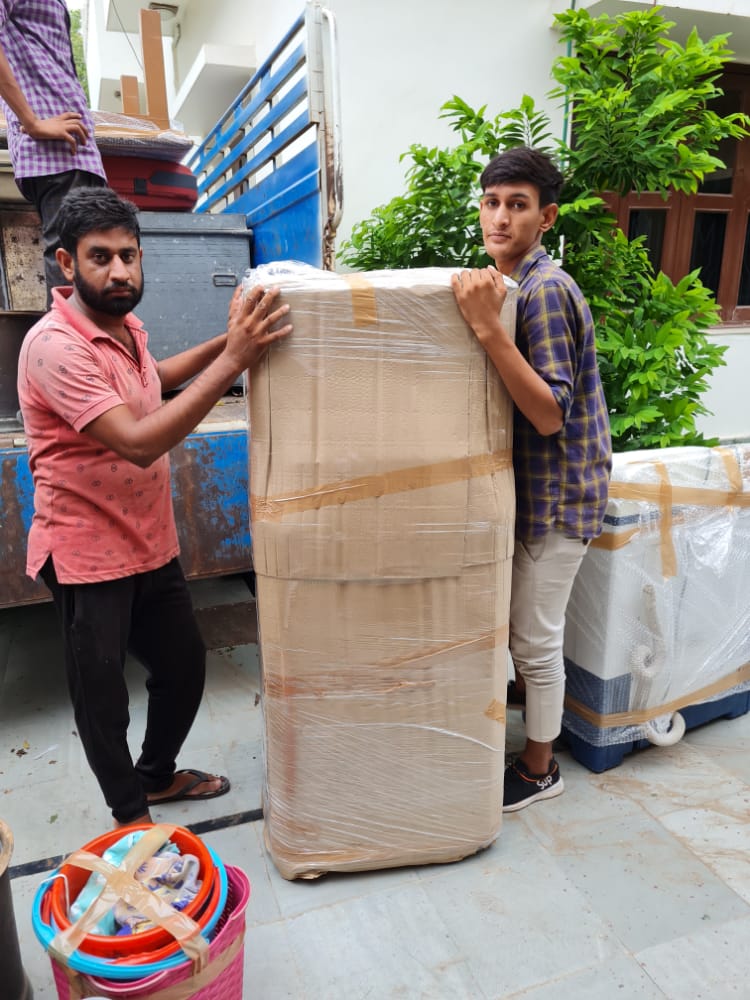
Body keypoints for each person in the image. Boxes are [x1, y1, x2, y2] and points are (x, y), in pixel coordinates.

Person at [17, 186, 292, 826]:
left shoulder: (126, 327)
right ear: (67, 263)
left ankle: (157, 777)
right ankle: (131, 818)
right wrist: (234, 360)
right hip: (86, 556)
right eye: (101, 257)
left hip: (148, 541)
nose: (119, 271)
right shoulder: (55, 346)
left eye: (129, 256)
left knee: (183, 668)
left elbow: (156, 378)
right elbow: (140, 442)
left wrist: (229, 343)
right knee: (103, 698)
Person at [451, 146, 611, 813]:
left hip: (559, 495)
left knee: (535, 641)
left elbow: (548, 413)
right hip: (535, 491)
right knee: (523, 634)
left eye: (517, 205)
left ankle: (541, 768)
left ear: (546, 218)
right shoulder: (510, 283)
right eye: (491, 203)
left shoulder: (544, 291)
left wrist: (486, 328)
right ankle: (527, 736)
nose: (500, 217)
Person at [0, 0, 107, 301]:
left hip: (75, 153)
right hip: (56, 152)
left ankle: (84, 332)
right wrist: (32, 122)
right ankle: (64, 333)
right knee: (72, 256)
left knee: (90, 257)